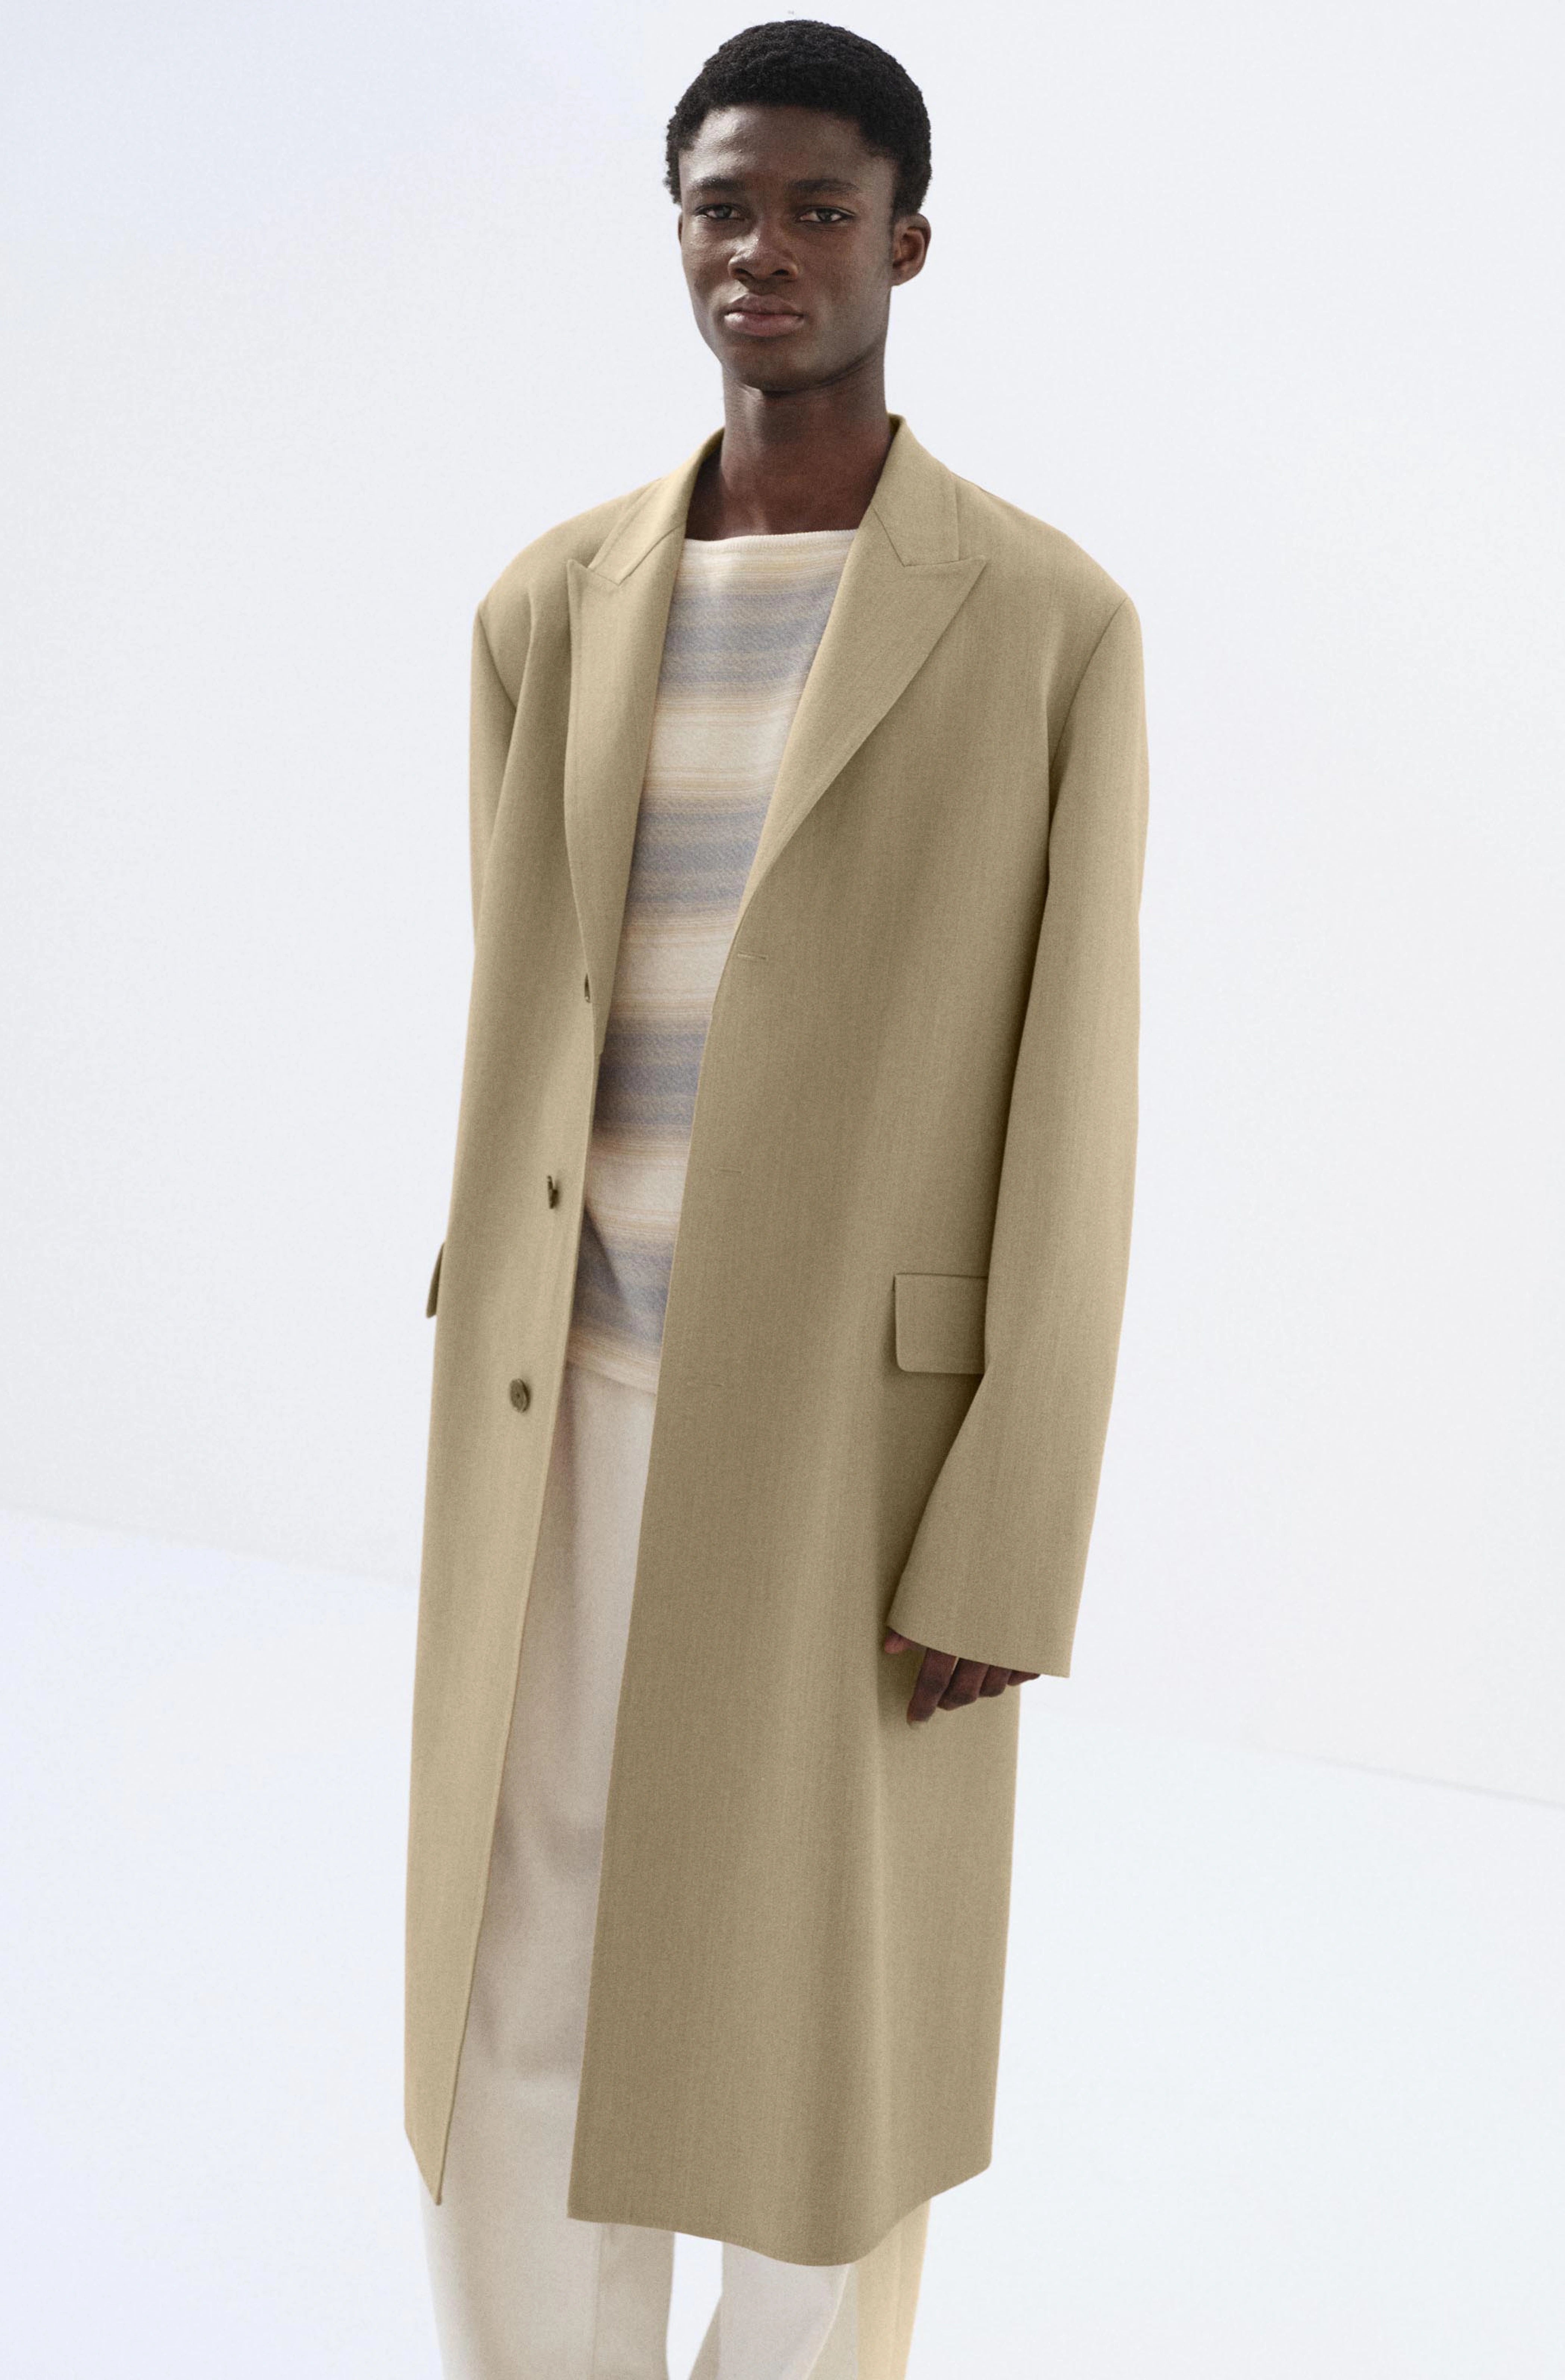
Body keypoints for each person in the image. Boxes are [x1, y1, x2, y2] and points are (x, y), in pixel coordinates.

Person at [406, 21, 1149, 2378]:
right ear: (679, 235)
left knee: (823, 2023)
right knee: (524, 1970)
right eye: (724, 208)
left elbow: (1078, 1103)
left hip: (858, 1439)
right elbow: (526, 1027)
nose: (765, 252)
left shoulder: (1043, 624)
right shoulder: (548, 607)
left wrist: (1009, 1522)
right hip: (562, 1399)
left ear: (907, 244)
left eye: (820, 209)